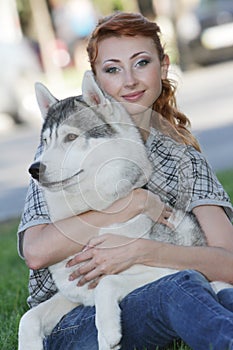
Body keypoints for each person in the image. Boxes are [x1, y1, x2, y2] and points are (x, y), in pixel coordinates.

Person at [17, 12, 233, 350]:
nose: (129, 80)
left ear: (163, 67)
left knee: (209, 291)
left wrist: (142, 251)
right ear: (96, 82)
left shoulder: (183, 158)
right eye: (113, 69)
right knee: (180, 289)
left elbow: (229, 262)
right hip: (73, 318)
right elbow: (36, 252)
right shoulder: (58, 153)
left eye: (141, 62)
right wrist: (132, 204)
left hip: (153, 288)